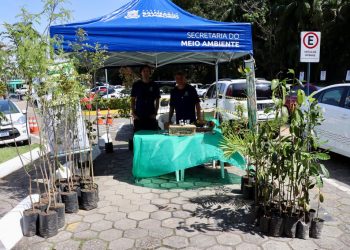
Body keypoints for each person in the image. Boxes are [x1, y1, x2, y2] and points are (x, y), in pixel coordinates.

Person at [131, 65, 160, 131]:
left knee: (152, 135)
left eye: (147, 71)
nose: (145, 73)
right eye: (144, 71)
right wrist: (133, 113)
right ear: (141, 73)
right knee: (138, 136)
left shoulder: (154, 85)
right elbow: (132, 100)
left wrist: (155, 113)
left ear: (150, 73)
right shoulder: (136, 85)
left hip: (151, 115)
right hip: (139, 115)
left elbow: (157, 100)